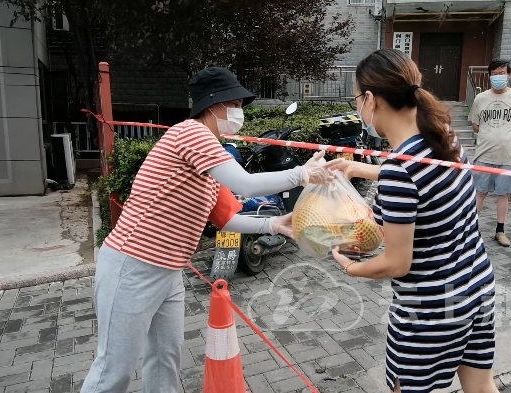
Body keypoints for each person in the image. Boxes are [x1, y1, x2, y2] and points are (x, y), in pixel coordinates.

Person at [81, 67, 339, 393]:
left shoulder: (209, 156)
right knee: (113, 371)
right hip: (131, 265)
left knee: (164, 363)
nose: (239, 112)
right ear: (212, 104)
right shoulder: (191, 133)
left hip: (168, 271)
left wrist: (272, 224)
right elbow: (244, 183)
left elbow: (226, 219)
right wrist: (301, 175)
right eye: (234, 104)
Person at [331, 49, 498, 393]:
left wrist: (348, 266)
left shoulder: (399, 172)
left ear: (370, 100)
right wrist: (364, 169)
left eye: (356, 99)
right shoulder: (444, 137)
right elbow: (423, 182)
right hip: (478, 286)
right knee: (481, 386)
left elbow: (396, 262)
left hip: (430, 310)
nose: (357, 108)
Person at [469, 59, 511, 247]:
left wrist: (505, 138)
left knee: (504, 195)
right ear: (489, 76)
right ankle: (469, 230)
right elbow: (475, 125)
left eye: (502, 73)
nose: (498, 77)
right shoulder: (480, 98)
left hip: (509, 155)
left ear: (509, 75)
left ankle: (500, 231)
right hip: (484, 155)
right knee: (480, 193)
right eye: (494, 74)